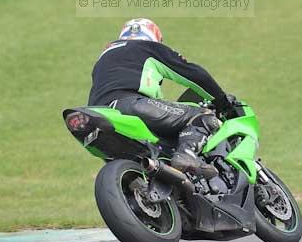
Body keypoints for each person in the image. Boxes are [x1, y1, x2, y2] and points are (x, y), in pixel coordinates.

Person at [87, 17, 233, 178]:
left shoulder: (103, 58)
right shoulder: (148, 48)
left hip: (97, 117)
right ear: (154, 38)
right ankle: (187, 155)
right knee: (203, 115)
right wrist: (223, 102)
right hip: (130, 105)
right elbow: (194, 74)